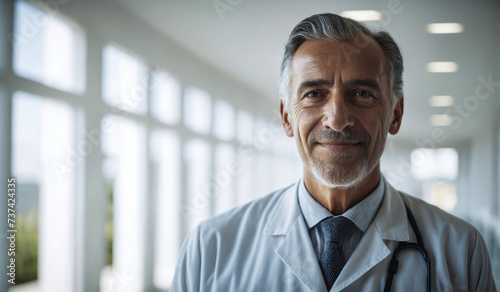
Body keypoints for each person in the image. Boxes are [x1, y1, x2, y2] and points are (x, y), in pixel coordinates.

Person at [171, 13, 497, 292]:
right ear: (286, 117)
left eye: (362, 93)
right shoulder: (211, 248)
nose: (338, 119)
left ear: (395, 115)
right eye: (314, 93)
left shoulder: (460, 249)